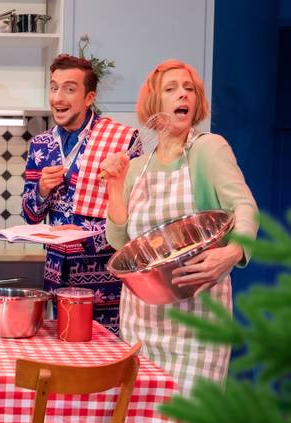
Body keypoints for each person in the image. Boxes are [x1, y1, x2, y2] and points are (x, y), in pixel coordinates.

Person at [101, 59, 259, 396]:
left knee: (190, 418)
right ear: (154, 103)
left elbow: (244, 206)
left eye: (189, 89)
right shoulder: (137, 167)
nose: (183, 94)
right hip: (141, 321)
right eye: (171, 89)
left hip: (198, 323)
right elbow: (118, 242)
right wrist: (115, 185)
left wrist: (233, 251)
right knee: (144, 418)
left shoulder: (208, 150)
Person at [21, 54, 142, 335]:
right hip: (57, 279)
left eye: (69, 89)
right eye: (54, 87)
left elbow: (136, 216)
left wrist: (85, 236)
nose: (58, 97)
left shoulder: (122, 141)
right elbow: (30, 215)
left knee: (108, 357)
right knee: (64, 354)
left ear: (89, 97)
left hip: (106, 281)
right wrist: (42, 190)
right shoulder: (41, 145)